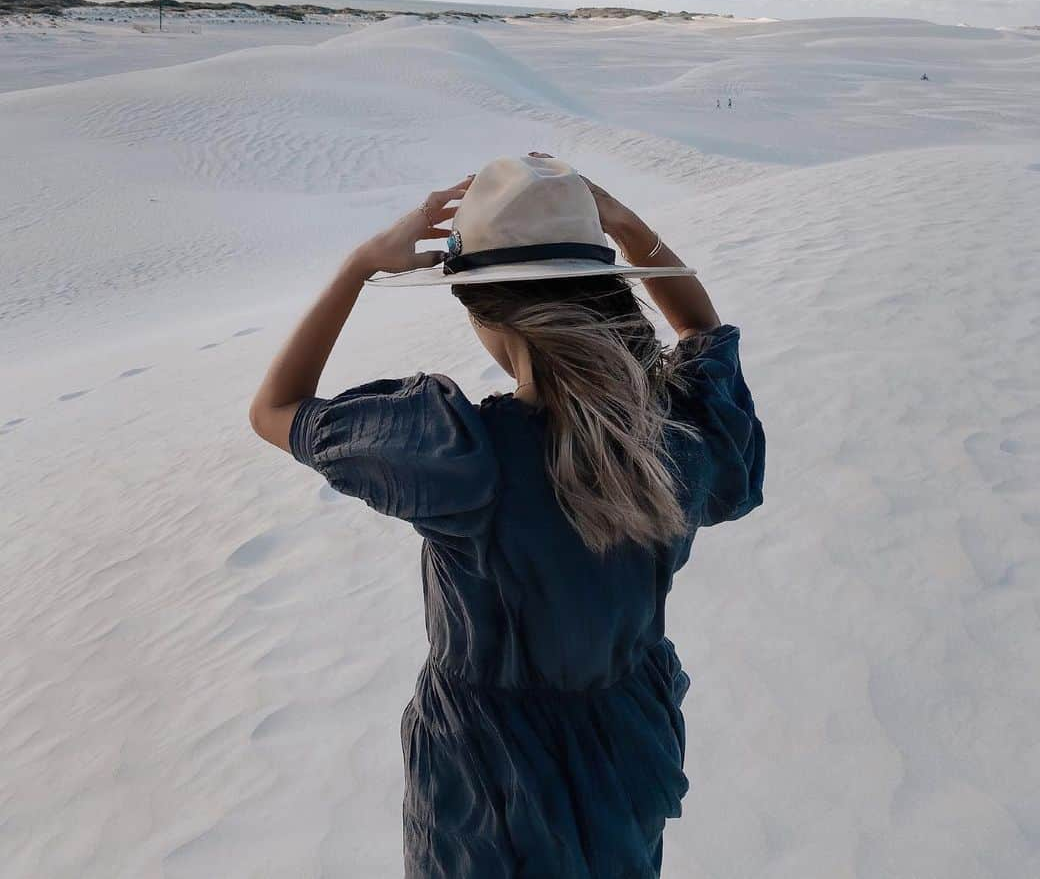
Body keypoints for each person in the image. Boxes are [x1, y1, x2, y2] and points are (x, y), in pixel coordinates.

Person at [250, 153, 766, 878]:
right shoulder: (668, 437)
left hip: (485, 782)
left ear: (483, 313)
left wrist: (359, 267)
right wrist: (624, 225)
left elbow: (274, 410)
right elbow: (703, 341)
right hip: (626, 746)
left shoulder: (463, 455)